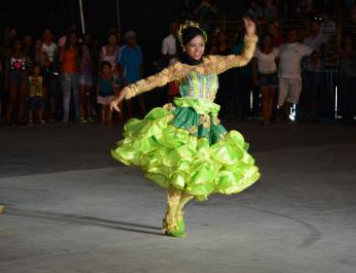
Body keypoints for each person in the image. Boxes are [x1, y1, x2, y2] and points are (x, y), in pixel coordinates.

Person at [110, 18, 260, 237]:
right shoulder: (178, 68)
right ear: (184, 47)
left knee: (203, 173)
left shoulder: (213, 63)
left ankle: (178, 210)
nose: (198, 50)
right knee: (182, 171)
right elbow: (150, 81)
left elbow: (244, 58)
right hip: (184, 122)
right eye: (193, 45)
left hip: (208, 125)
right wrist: (125, 93)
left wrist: (250, 36)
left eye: (201, 45)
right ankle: (172, 213)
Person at [278, 29, 313, 122]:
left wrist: (315, 58)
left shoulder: (301, 47)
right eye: (289, 34)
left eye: (293, 34)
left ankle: (285, 114)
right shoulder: (282, 47)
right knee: (281, 99)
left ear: (297, 36)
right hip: (282, 77)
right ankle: (285, 116)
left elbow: (313, 52)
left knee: (294, 98)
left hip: (296, 77)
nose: (291, 36)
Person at [117, 30, 146, 118]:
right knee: (128, 97)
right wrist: (123, 78)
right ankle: (130, 115)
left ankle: (144, 114)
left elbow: (141, 64)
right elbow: (121, 65)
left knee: (140, 96)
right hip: (127, 76)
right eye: (131, 39)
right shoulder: (123, 50)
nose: (133, 41)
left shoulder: (138, 48)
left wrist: (141, 77)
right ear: (127, 40)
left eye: (134, 38)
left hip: (137, 75)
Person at [253, 34, 279, 124]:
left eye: (269, 39)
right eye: (265, 39)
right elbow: (254, 65)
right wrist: (255, 78)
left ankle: (269, 117)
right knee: (265, 97)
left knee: (271, 97)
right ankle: (265, 118)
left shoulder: (276, 50)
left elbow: (278, 64)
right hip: (263, 75)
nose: (267, 41)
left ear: (271, 41)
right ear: (263, 41)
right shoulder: (258, 50)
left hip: (273, 74)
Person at [5, 39, 30, 126]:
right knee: (12, 99)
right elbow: (7, 69)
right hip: (13, 76)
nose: (18, 45)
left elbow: (29, 66)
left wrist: (25, 73)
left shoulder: (24, 55)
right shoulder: (10, 55)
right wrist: (6, 81)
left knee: (22, 99)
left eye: (19, 43)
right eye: (16, 43)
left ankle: (19, 119)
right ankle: (7, 119)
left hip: (22, 77)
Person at [337, 34, 356, 123]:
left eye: (349, 37)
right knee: (344, 96)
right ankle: (345, 115)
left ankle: (350, 116)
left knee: (352, 96)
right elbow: (338, 56)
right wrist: (347, 54)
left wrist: (345, 53)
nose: (347, 39)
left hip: (354, 75)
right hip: (343, 75)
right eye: (346, 37)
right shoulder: (340, 49)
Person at [59, 32, 80, 123]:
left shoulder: (77, 49)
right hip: (66, 72)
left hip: (75, 73)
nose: (74, 38)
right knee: (67, 96)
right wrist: (61, 73)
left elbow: (78, 61)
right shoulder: (64, 49)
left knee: (76, 95)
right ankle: (66, 117)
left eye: (75, 36)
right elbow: (60, 61)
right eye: (72, 36)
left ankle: (78, 116)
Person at [41, 29, 59, 122]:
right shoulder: (41, 45)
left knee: (53, 93)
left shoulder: (54, 45)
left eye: (49, 34)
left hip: (53, 70)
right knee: (44, 94)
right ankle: (42, 115)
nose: (47, 35)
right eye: (45, 33)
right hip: (43, 70)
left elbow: (57, 58)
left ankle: (53, 114)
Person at [162, 21, 180, 101]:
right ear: (170, 29)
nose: (175, 29)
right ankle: (170, 110)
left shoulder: (183, 38)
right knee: (172, 93)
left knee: (182, 92)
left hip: (183, 68)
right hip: (172, 69)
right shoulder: (166, 40)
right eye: (173, 27)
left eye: (176, 26)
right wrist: (174, 55)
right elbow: (163, 56)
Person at [79, 35, 95, 123]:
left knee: (89, 97)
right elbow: (79, 68)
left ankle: (89, 115)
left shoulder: (90, 57)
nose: (85, 50)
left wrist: (89, 58)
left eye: (86, 48)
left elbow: (92, 68)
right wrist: (83, 59)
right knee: (82, 97)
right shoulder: (80, 57)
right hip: (82, 77)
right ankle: (82, 115)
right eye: (83, 48)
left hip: (89, 77)